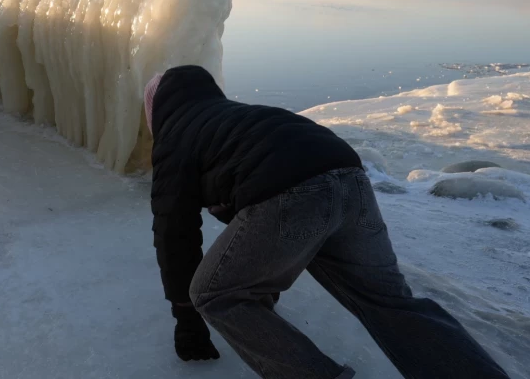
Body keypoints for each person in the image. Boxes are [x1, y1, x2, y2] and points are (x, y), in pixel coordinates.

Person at [144, 65, 510, 379]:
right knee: (388, 300)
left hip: (293, 190)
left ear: (155, 112)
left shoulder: (176, 138)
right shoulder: (233, 117)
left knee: (212, 292)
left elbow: (174, 234)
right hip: (350, 176)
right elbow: (255, 223)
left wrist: (186, 319)